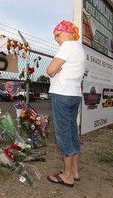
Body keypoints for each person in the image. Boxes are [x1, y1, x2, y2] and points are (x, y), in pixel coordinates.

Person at [46, 20, 86, 187]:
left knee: (63, 135)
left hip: (61, 94)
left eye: (57, 35)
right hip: (75, 94)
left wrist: (56, 70)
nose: (56, 39)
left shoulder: (67, 46)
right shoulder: (79, 48)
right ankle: (75, 171)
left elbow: (50, 70)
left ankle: (67, 175)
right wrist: (58, 69)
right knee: (71, 132)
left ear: (68, 32)